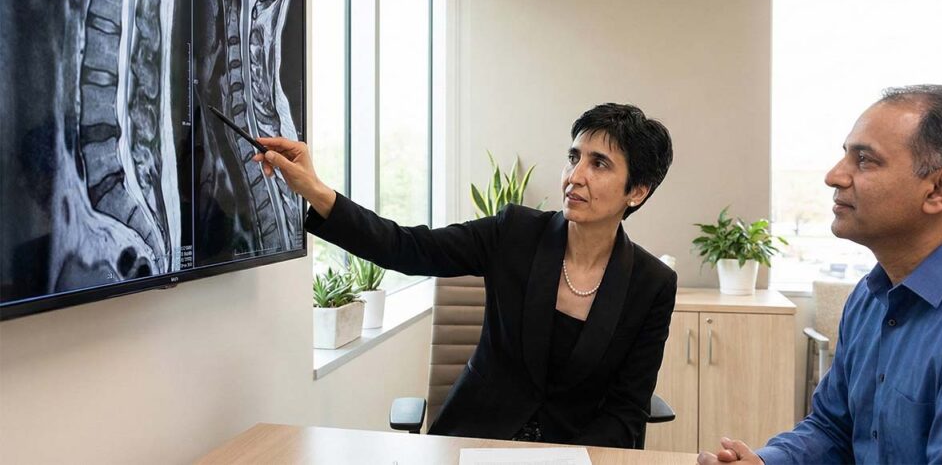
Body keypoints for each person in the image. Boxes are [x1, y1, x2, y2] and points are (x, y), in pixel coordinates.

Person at [255, 103, 677, 448]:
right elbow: (407, 247)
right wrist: (316, 190)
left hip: (573, 455)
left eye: (599, 163)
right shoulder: (514, 233)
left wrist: (565, 460)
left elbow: (626, 411)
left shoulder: (651, 284)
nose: (575, 176)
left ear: (637, 191)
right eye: (573, 157)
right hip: (473, 443)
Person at [698, 85, 942, 465]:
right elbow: (832, 430)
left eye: (865, 160)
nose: (834, 176)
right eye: (845, 156)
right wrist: (767, 462)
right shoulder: (872, 295)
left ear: (939, 189)